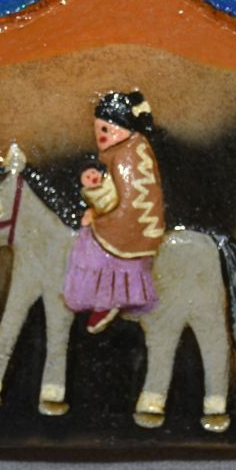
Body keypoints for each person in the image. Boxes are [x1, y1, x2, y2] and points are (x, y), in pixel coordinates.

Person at [64, 91, 165, 334]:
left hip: (133, 224)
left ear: (124, 128)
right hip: (125, 215)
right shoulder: (120, 151)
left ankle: (109, 298)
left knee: (89, 242)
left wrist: (99, 218)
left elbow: (131, 200)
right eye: (97, 129)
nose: (100, 135)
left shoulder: (126, 155)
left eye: (106, 129)